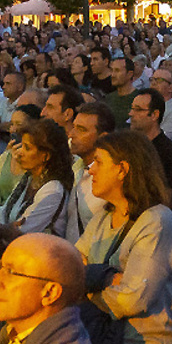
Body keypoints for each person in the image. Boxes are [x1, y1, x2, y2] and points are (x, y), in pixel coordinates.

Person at [78, 130, 172, 344]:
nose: (90, 170)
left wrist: (87, 285)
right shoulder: (103, 218)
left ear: (122, 169)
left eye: (99, 162)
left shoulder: (157, 222)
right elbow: (74, 268)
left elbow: (131, 299)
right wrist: (106, 278)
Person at [0, 117, 73, 256]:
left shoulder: (52, 190)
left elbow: (21, 232)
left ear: (45, 156)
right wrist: (2, 228)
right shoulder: (27, 180)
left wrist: (1, 229)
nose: (20, 153)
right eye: (21, 145)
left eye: (27, 148)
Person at [65, 101, 115, 243]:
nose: (71, 134)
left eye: (81, 129)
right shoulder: (74, 167)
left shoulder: (112, 178)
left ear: (103, 136)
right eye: (73, 127)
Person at [127, 89, 172, 195]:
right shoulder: (128, 145)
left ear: (154, 115)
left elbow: (167, 193)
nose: (131, 113)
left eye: (138, 110)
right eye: (132, 108)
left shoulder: (169, 153)